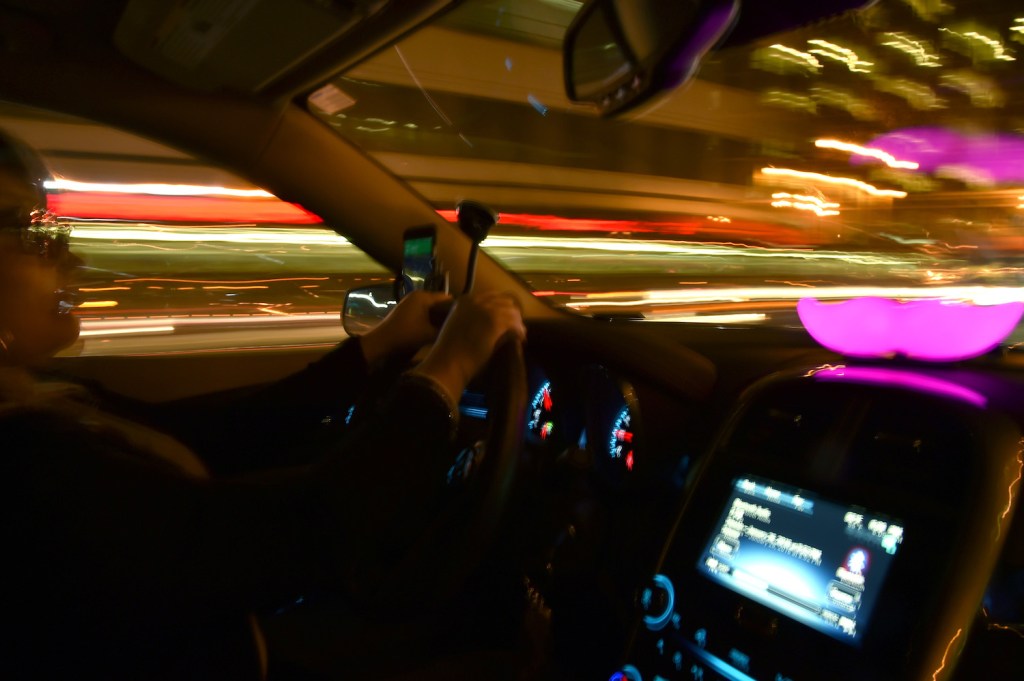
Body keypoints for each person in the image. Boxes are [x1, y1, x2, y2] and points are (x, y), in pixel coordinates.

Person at [0, 129, 526, 679]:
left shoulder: (45, 398)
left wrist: (377, 347)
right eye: (30, 230)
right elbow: (304, 532)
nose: (68, 255)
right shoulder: (25, 471)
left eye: (52, 228)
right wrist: (449, 370)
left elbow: (213, 435)